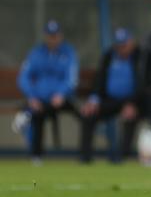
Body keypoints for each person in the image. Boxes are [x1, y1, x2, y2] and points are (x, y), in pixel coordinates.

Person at [16, 20, 80, 163]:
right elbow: (23, 77)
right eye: (50, 36)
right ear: (45, 36)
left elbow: (72, 79)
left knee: (84, 116)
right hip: (39, 99)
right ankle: (36, 156)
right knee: (38, 111)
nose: (53, 39)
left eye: (55, 35)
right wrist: (32, 97)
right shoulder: (36, 53)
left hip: (63, 99)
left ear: (60, 36)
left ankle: (84, 155)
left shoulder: (69, 53)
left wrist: (61, 94)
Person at [79, 27, 143, 163]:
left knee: (130, 116)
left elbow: (143, 83)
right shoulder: (109, 56)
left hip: (132, 100)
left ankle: (121, 158)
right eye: (119, 46)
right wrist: (94, 99)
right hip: (109, 100)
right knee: (88, 114)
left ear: (131, 43)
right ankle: (85, 159)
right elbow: (99, 79)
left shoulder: (140, 57)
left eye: (124, 45)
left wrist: (133, 103)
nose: (122, 49)